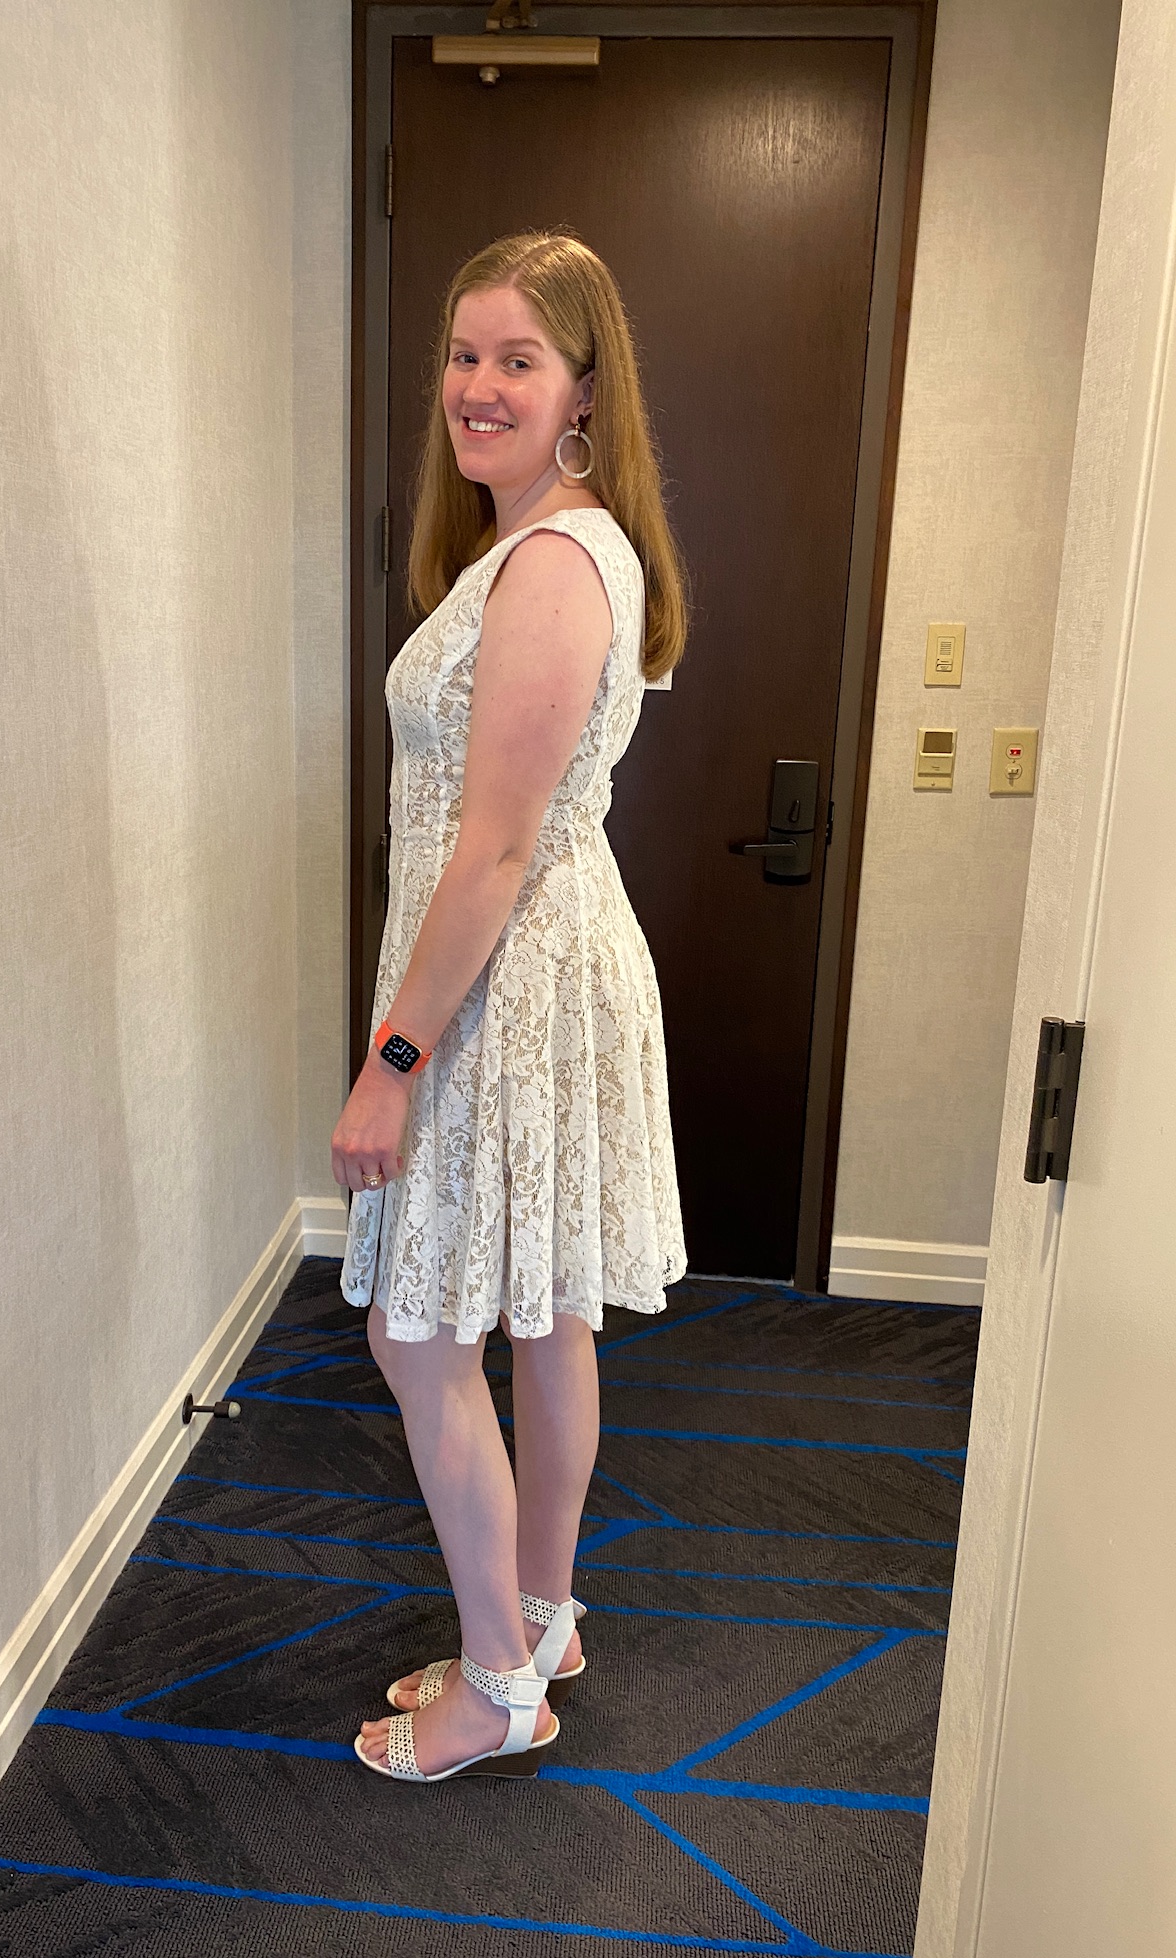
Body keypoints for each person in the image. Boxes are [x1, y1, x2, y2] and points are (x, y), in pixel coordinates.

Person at [332, 230, 686, 1784]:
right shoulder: (550, 541)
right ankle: (539, 1614)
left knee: (422, 1340)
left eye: (517, 361)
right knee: (544, 1312)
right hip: (534, 970)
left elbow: (493, 844)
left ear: (583, 392)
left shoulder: (553, 561)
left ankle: (498, 1686)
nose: (477, 388)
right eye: (464, 357)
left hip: (504, 985)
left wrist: (391, 1057)